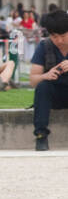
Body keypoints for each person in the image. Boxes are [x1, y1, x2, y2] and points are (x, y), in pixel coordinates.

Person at [29, 8, 68, 151]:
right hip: (54, 94)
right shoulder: (45, 46)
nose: (59, 40)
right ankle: (41, 135)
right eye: (54, 36)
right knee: (43, 87)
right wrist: (46, 75)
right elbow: (33, 80)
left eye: (63, 36)